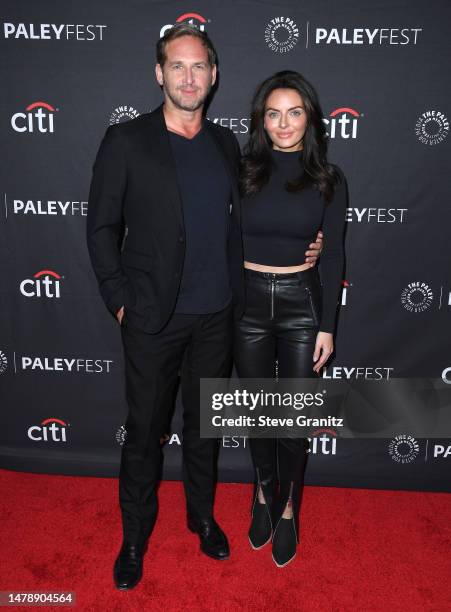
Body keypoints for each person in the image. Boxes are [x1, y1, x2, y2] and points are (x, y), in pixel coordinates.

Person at [87, 26, 322, 589]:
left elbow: (251, 221)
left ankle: (201, 518)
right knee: (145, 432)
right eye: (177, 67)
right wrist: (121, 303)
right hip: (151, 319)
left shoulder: (225, 145)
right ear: (159, 73)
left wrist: (307, 250)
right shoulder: (125, 140)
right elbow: (100, 230)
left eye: (199, 68)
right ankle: (135, 537)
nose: (188, 78)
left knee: (205, 432)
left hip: (218, 315)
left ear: (214, 76)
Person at [235, 71, 348, 567]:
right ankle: (263, 494)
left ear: (310, 118)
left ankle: (288, 511)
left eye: (295, 112)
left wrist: (328, 326)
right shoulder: (239, 170)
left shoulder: (328, 178)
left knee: (293, 419)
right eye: (273, 114)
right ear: (261, 120)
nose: (284, 124)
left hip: (303, 301)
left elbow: (337, 255)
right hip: (247, 302)